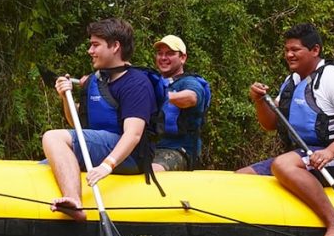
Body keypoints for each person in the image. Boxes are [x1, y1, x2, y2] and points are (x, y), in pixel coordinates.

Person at [237, 23, 334, 236]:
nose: (289, 55)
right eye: (287, 49)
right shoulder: (292, 82)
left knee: (284, 164)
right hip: (306, 155)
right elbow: (269, 124)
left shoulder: (333, 78)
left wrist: (329, 152)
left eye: (295, 49)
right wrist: (259, 101)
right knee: (241, 176)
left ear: (315, 50)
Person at [41, 18, 158, 221]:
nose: (90, 50)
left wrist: (107, 165)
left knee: (52, 137)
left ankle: (73, 201)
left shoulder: (136, 83)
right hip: (100, 146)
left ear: (115, 47)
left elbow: (134, 134)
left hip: (127, 155)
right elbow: (75, 124)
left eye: (95, 45)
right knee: (45, 165)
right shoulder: (94, 80)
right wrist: (64, 98)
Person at [152, 35, 211, 171]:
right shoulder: (154, 82)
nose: (163, 58)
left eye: (170, 54)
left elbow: (191, 97)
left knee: (153, 170)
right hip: (151, 148)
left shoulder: (189, 82)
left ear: (183, 58)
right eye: (160, 53)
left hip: (180, 150)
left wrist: (165, 96)